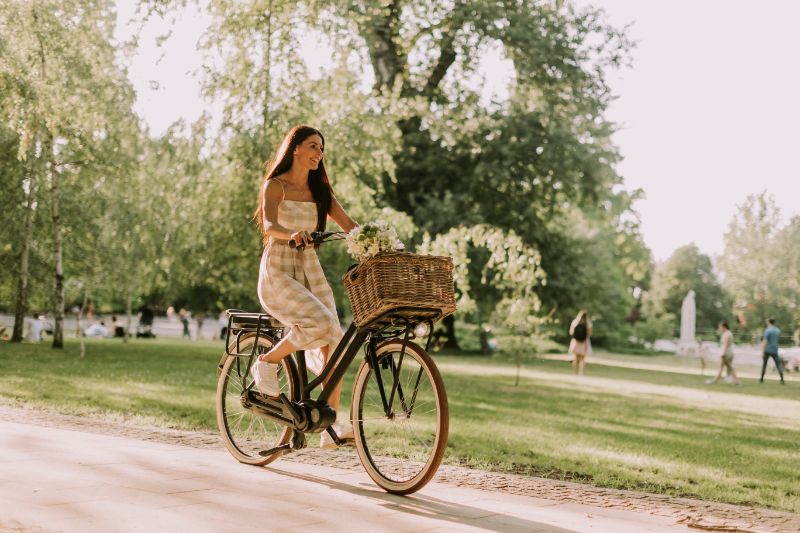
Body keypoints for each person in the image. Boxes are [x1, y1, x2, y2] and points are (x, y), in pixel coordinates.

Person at [251, 125, 358, 449]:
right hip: (279, 270)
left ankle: (331, 425)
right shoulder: (276, 185)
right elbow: (269, 225)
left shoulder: (321, 191)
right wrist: (292, 233)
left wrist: (375, 244)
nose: (318, 154)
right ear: (295, 147)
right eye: (313, 146)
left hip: (309, 270)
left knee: (335, 341)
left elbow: (350, 226)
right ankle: (267, 362)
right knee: (322, 323)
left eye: (321, 150)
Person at [760, 318, 785, 384]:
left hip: (767, 350)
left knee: (764, 364)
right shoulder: (778, 330)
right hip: (775, 350)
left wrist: (762, 351)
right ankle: (782, 379)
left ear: (769, 322)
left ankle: (761, 378)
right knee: (778, 364)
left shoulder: (767, 330)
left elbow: (765, 341)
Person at [568, 310, 592, 375]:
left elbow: (570, 332)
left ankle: (575, 372)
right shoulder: (588, 323)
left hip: (576, 342)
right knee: (582, 359)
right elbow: (589, 334)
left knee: (575, 358)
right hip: (584, 342)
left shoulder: (575, 322)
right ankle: (581, 373)